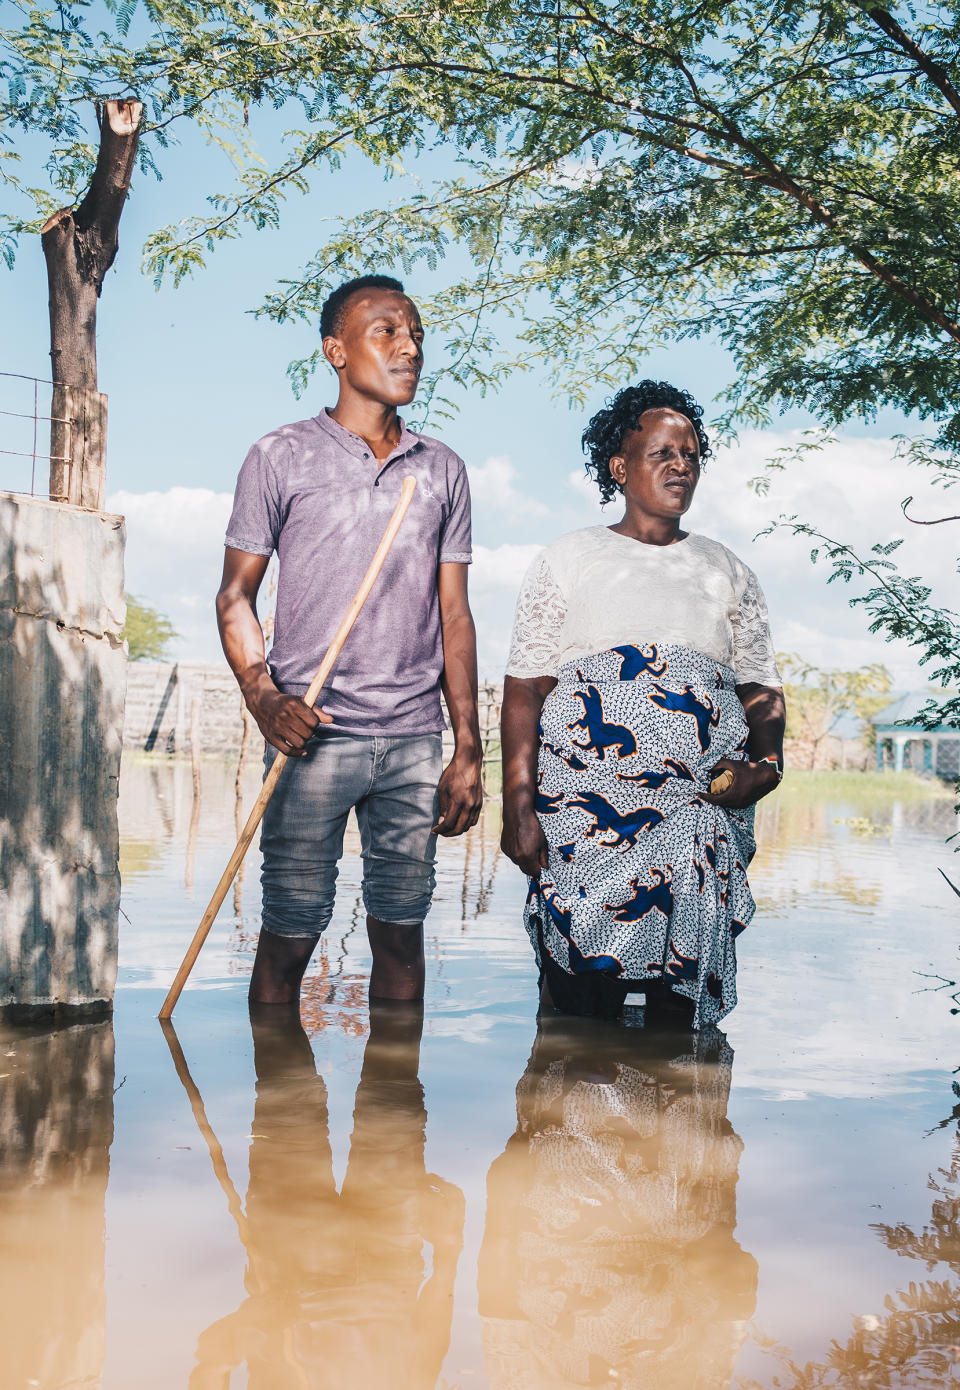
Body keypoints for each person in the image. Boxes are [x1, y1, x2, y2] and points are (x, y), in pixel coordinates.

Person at [218, 274, 483, 1007]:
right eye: (386, 331)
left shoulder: (441, 470)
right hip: (313, 735)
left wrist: (468, 747)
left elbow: (454, 617)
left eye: (416, 333)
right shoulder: (280, 456)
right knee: (290, 934)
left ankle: (397, 1119)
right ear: (336, 350)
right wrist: (263, 697)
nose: (409, 346)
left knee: (400, 934)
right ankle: (279, 1119)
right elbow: (235, 595)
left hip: (410, 741)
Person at [500, 380, 785, 1028]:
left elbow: (760, 687)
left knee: (674, 1014)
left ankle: (675, 1118)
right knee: (578, 1001)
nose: (680, 464)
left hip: (697, 805)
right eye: (661, 452)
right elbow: (526, 685)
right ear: (620, 467)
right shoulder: (570, 557)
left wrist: (766, 764)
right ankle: (568, 1119)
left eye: (689, 453)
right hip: (584, 812)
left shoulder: (728, 569)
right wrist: (517, 799)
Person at [478, 1017, 757, 1388]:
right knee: (659, 1015)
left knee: (582, 1009)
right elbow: (735, 1296)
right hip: (639, 1208)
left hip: (574, 1218)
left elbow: (500, 1313)